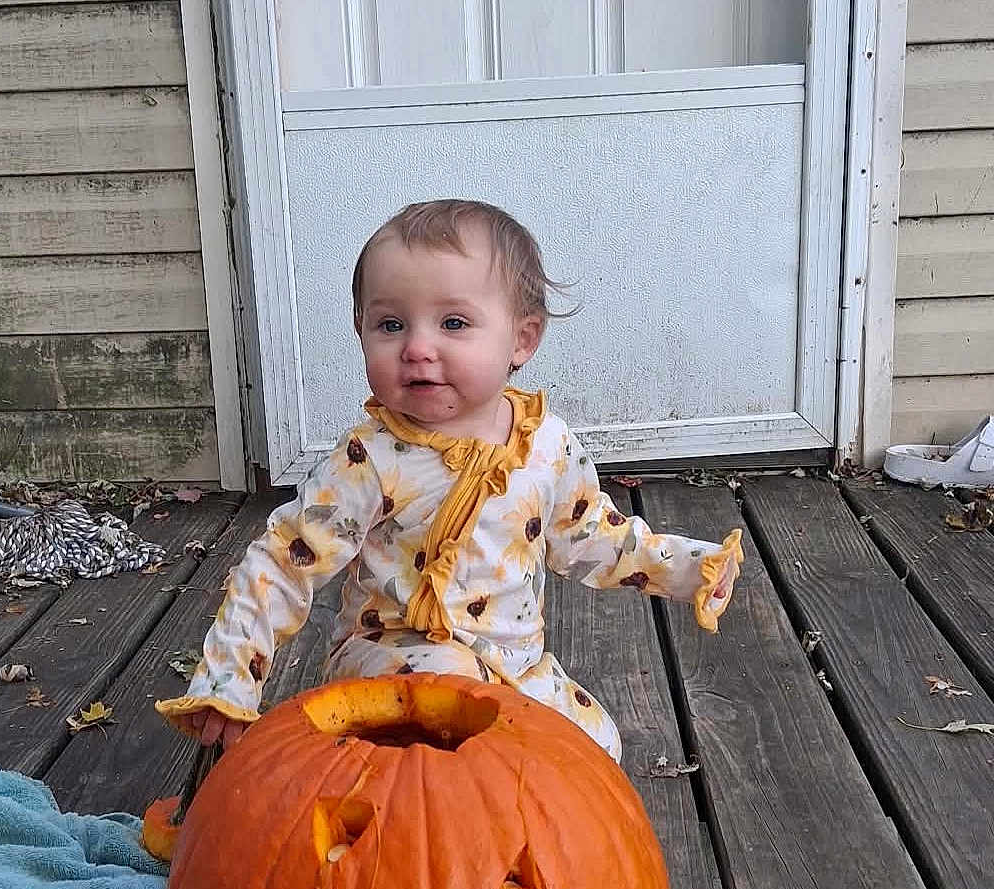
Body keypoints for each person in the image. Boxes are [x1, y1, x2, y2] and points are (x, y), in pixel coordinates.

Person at [156, 199, 742, 762]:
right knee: (448, 688)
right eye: (390, 324)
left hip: (515, 667)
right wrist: (230, 676)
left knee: (593, 750)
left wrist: (691, 568)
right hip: (391, 662)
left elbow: (595, 536)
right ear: (360, 332)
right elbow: (282, 561)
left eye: (453, 322)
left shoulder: (545, 446)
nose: (416, 348)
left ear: (521, 339)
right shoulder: (371, 459)